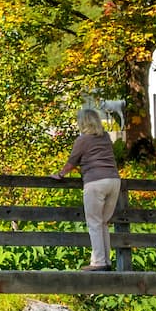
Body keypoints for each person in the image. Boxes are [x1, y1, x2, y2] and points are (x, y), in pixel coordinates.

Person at [59, 108, 121, 272]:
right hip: (114, 181)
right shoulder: (106, 137)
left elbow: (72, 162)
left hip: (95, 182)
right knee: (103, 223)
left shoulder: (82, 140)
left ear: (83, 122)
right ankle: (106, 261)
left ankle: (99, 262)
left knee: (94, 223)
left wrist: (60, 174)